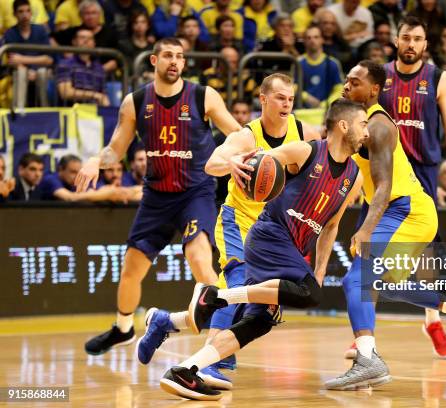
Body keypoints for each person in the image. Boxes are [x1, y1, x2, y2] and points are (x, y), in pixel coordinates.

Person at [157, 98, 365, 400]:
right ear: (344, 125)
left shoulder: (354, 176)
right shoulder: (305, 150)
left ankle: (186, 370)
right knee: (310, 294)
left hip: (292, 248)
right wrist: (236, 164)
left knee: (259, 321)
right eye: (363, 124)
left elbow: (331, 226)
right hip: (270, 234)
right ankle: (217, 297)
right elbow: (259, 161)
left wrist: (318, 271)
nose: (366, 132)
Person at [137, 73, 320, 389]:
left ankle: (165, 322)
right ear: (262, 99)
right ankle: (210, 362)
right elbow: (212, 164)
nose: (286, 103)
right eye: (279, 97)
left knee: (253, 305)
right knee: (236, 282)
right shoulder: (246, 136)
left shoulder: (304, 134)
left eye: (290, 98)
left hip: (275, 231)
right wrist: (233, 162)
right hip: (239, 222)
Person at [326, 60, 446, 390]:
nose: (347, 86)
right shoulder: (356, 124)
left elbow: (385, 188)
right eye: (346, 81)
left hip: (407, 209)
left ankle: (368, 360)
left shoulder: (378, 127)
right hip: (400, 209)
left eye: (354, 82)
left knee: (357, 280)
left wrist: (364, 228)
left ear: (374, 90)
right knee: (384, 284)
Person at [78, 37, 242, 356]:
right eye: (168, 56)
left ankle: (222, 340)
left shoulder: (203, 96)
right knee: (131, 269)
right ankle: (123, 328)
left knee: (198, 257)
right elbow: (116, 150)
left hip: (195, 191)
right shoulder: (135, 102)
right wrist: (96, 160)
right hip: (156, 196)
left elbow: (238, 133)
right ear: (154, 61)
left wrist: (237, 156)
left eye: (179, 57)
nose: (175, 62)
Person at [377, 16, 446, 357]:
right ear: (396, 40)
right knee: (372, 252)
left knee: (426, 253)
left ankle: (432, 320)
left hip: (421, 171)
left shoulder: (438, 77)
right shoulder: (379, 76)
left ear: (425, 45)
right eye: (405, 37)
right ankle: (364, 334)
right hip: (384, 172)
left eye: (417, 39)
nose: (410, 44)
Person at [2, 0, 53, 109]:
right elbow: (13, 61)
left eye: (28, 11)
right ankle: (19, 111)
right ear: (15, 14)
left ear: (31, 13)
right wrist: (28, 68)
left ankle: (46, 110)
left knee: (42, 72)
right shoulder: (10, 33)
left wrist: (22, 59)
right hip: (19, 72)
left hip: (42, 71)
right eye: (21, 12)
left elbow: (48, 59)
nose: (25, 15)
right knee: (21, 72)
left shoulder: (41, 30)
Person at [38, 154, 130, 202]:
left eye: (79, 172)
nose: (77, 176)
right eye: (73, 172)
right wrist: (109, 194)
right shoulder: (50, 180)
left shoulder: (74, 182)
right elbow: (70, 198)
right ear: (60, 169)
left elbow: (95, 191)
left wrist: (109, 191)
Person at [56, 27, 109, 107]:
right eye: (82, 37)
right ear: (74, 42)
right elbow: (65, 92)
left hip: (95, 112)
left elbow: (104, 95)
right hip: (71, 110)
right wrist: (95, 95)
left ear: (94, 43)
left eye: (90, 38)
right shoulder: (65, 64)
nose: (86, 41)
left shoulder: (99, 68)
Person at [299, 24, 344, 108]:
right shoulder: (298, 62)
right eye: (309, 38)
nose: (312, 40)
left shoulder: (332, 63)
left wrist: (326, 104)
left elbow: (339, 89)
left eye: (316, 37)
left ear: (322, 40)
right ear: (304, 41)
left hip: (327, 111)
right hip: (302, 110)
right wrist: (306, 97)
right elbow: (293, 87)